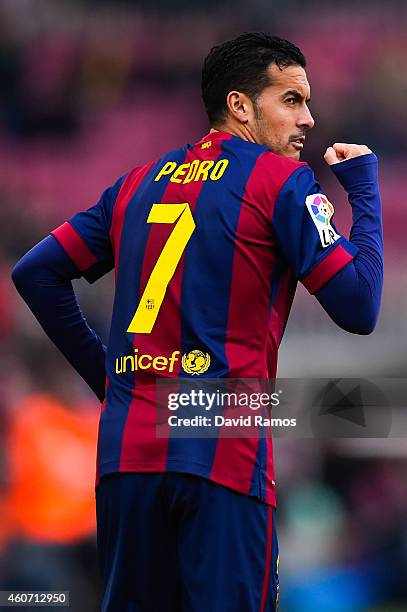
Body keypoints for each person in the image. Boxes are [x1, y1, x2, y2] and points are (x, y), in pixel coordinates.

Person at [12, 32, 383, 612]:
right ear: (240, 105)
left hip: (127, 460)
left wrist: (109, 381)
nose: (308, 118)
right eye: (291, 100)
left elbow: (36, 273)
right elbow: (359, 307)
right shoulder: (280, 183)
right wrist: (364, 192)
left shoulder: (135, 184)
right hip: (222, 455)